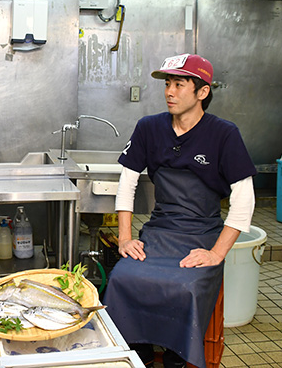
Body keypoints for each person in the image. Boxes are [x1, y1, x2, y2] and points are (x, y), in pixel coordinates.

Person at [103, 54, 256, 368]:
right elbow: (127, 182)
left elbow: (244, 199)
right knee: (121, 278)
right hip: (160, 231)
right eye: (167, 84)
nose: (169, 92)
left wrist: (216, 254)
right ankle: (137, 353)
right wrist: (125, 237)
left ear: (202, 92)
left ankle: (176, 356)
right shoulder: (149, 127)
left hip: (202, 233)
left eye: (179, 85)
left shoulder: (224, 134)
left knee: (186, 287)